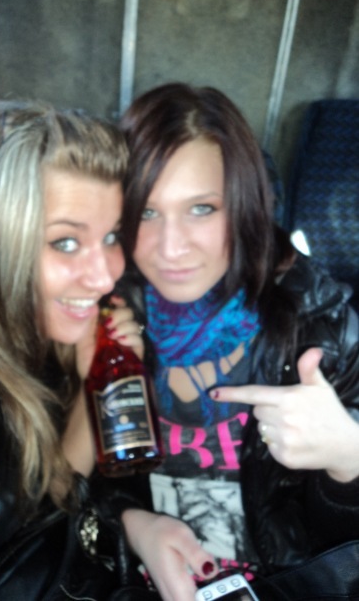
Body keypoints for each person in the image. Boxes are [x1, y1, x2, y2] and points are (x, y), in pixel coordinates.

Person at [108, 83, 359, 601]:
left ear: (244, 205)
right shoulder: (100, 311)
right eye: (147, 212)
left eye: (201, 208)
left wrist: (347, 459)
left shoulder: (321, 323)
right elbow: (57, 487)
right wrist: (130, 524)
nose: (170, 248)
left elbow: (342, 545)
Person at [0, 98, 141, 600]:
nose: (105, 277)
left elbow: (46, 502)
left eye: (112, 236)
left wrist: (93, 379)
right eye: (65, 242)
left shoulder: (32, 322)